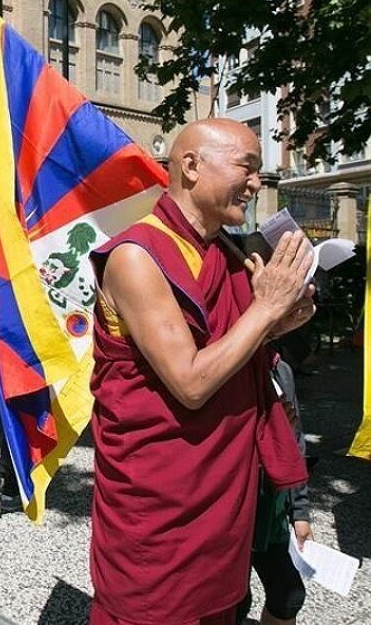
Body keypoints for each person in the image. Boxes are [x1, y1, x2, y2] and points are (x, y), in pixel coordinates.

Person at [88, 118, 312, 624]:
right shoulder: (136, 256)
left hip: (223, 495)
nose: (257, 183)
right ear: (190, 166)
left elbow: (228, 350)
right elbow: (189, 382)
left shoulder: (226, 252)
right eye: (247, 167)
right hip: (161, 502)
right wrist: (263, 311)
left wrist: (277, 321)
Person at [236, 357, 311, 625]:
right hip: (235, 510)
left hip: (271, 512)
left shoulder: (281, 369)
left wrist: (300, 512)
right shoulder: (226, 363)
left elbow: (297, 443)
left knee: (289, 595)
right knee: (235, 601)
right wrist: (268, 432)